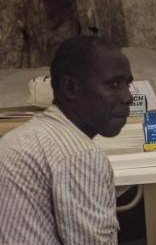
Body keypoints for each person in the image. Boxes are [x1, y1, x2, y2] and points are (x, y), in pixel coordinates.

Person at [0, 35, 134, 244]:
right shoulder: (79, 155)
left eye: (127, 84)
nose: (128, 96)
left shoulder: (21, 138)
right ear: (70, 88)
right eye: (114, 84)